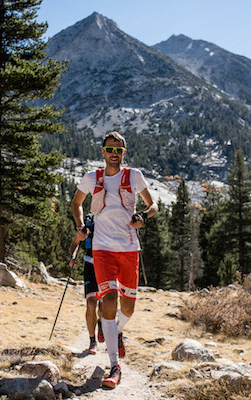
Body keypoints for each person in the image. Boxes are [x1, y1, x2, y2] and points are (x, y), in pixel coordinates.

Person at [71, 131, 158, 389]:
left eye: (118, 150)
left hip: (129, 248)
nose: (114, 154)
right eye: (110, 149)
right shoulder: (91, 178)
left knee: (128, 308)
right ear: (102, 151)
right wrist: (80, 226)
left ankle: (116, 330)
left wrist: (143, 216)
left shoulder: (134, 176)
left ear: (124, 153)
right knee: (108, 300)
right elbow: (76, 203)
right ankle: (114, 366)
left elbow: (153, 205)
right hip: (102, 249)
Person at [69, 213, 104, 355]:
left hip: (106, 266)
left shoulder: (111, 219)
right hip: (90, 265)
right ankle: (92, 340)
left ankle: (101, 324)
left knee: (104, 305)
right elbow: (75, 243)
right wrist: (72, 256)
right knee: (91, 303)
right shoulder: (88, 223)